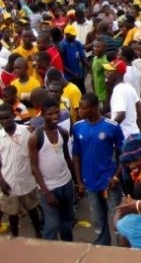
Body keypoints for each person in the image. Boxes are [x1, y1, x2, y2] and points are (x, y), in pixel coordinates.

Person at [72, 92, 124, 245]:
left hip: (110, 183)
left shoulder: (112, 127)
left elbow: (124, 155)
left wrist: (116, 176)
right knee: (97, 221)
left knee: (118, 221)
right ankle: (103, 249)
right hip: (90, 183)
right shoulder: (78, 127)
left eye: (83, 108)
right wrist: (79, 181)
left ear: (94, 108)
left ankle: (123, 250)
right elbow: (76, 155)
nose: (79, 111)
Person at [28, 97, 76, 242]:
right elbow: (34, 167)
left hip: (66, 184)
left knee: (67, 223)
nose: (55, 116)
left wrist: (76, 182)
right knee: (52, 225)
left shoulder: (63, 133)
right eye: (50, 114)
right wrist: (46, 192)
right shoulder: (36, 137)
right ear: (42, 115)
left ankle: (69, 251)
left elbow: (67, 158)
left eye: (56, 113)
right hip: (48, 188)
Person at [0, 103, 42, 238]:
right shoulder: (0, 136)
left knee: (32, 208)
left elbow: (36, 150)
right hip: (9, 182)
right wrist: (1, 181)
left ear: (13, 116)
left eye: (7, 117)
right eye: (1, 119)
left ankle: (38, 232)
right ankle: (15, 237)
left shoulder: (26, 131)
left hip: (27, 179)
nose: (4, 121)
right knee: (12, 213)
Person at [104, 59, 141, 139]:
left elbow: (121, 115)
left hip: (124, 137)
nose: (106, 73)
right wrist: (139, 132)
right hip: (134, 133)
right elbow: (140, 110)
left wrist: (107, 131)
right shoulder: (128, 87)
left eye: (110, 71)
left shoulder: (118, 90)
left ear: (118, 73)